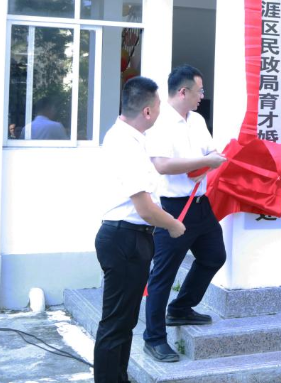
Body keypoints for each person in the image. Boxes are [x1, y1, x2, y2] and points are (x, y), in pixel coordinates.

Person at [94, 76, 186, 383]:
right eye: (159, 105)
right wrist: (174, 225)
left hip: (132, 238)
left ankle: (119, 377)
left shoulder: (132, 139)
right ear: (147, 111)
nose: (160, 110)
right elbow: (145, 208)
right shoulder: (125, 143)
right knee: (116, 322)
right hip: (124, 238)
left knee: (124, 320)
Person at [142, 65, 227, 363]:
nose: (202, 97)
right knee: (163, 274)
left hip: (200, 204)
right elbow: (162, 164)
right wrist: (202, 162)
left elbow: (210, 153)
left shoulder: (198, 120)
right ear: (182, 91)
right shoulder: (160, 123)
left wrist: (204, 163)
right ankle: (153, 338)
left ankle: (180, 309)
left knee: (214, 255)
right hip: (173, 207)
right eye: (199, 91)